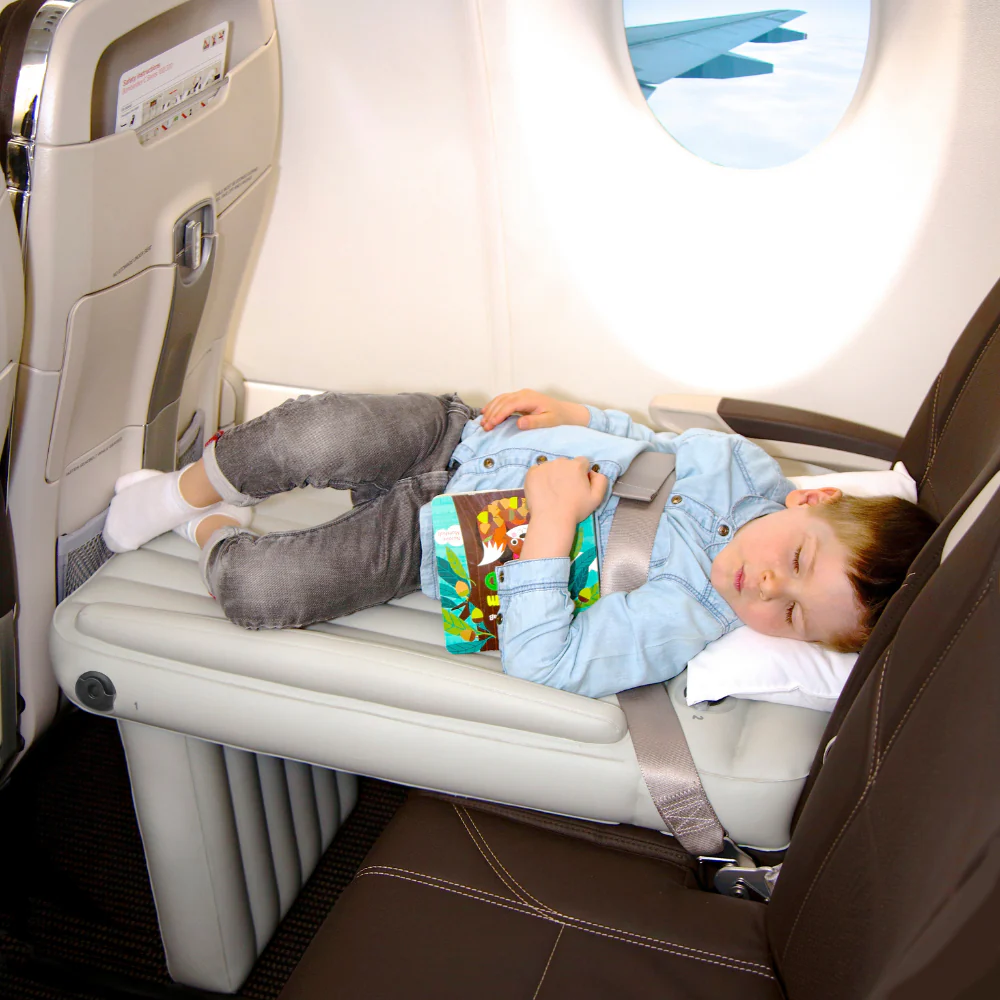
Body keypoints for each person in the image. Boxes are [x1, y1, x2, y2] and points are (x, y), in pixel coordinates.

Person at [102, 389, 937, 699]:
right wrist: (577, 418)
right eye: (795, 561)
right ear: (816, 497)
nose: (762, 588)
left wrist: (554, 526)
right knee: (317, 432)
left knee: (262, 595)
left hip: (429, 549)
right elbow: (644, 439)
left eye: (788, 618)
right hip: (463, 441)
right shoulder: (739, 465)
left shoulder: (684, 621)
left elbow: (548, 660)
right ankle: (178, 491)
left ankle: (207, 525)